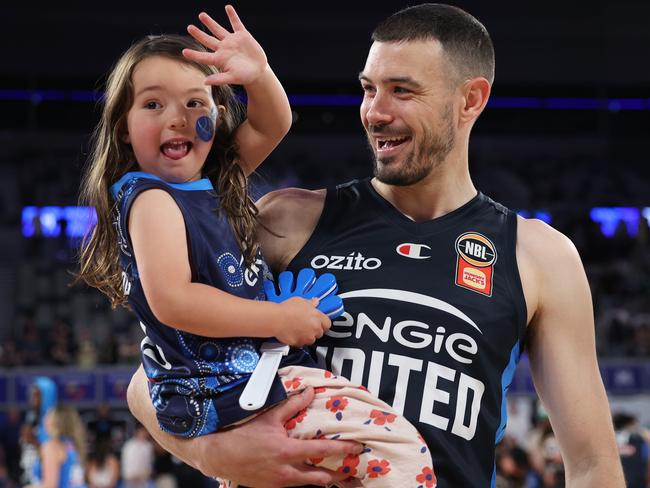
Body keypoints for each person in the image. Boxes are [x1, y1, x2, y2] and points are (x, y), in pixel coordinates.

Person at [126, 3, 625, 487]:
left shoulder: (538, 255)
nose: (375, 112)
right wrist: (216, 451)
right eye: (369, 89)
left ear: (470, 99)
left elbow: (591, 466)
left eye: (402, 91)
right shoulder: (286, 220)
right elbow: (147, 380)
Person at [78, 5, 433, 487]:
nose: (178, 119)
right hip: (227, 387)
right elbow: (174, 301)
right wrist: (279, 319)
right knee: (400, 455)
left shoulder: (210, 184)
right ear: (122, 126)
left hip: (247, 383)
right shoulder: (152, 199)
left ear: (218, 115)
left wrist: (258, 74)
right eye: (154, 104)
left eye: (195, 103)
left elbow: (273, 124)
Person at [28, 405, 87, 488]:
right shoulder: (74, 445)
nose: (44, 419)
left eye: (48, 415)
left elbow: (50, 485)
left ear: (56, 422)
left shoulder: (52, 446)